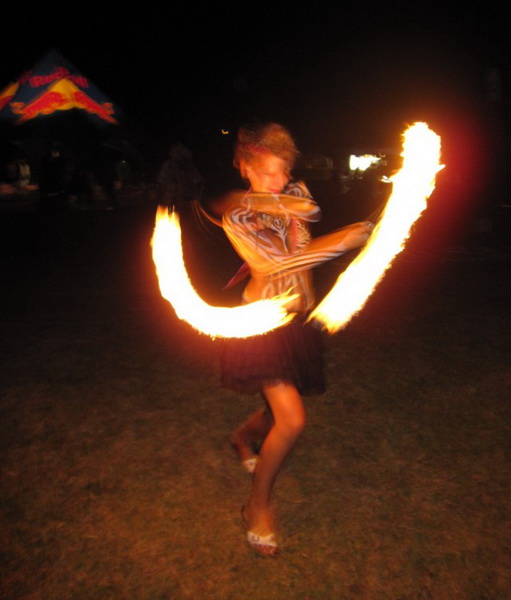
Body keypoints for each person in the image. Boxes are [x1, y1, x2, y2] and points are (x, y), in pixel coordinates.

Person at [208, 122, 372, 557]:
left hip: (299, 321)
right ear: (244, 167)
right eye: (267, 172)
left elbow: (310, 213)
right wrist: (346, 239)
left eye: (284, 170)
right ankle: (256, 507)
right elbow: (278, 264)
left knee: (276, 407)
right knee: (292, 418)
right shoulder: (238, 217)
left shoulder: (294, 193)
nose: (280, 180)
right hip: (263, 323)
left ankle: (241, 438)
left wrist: (272, 198)